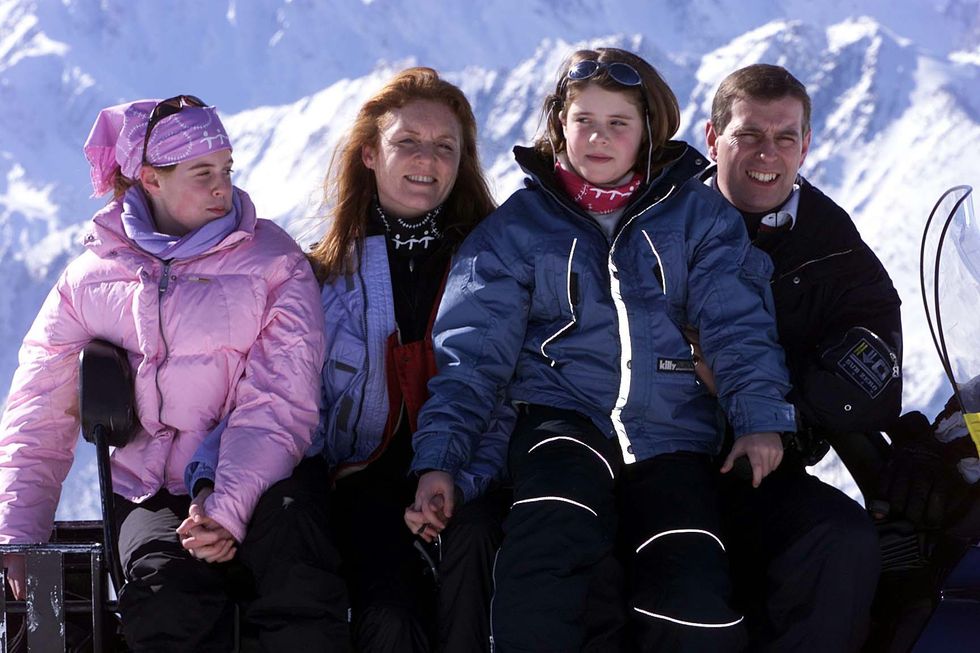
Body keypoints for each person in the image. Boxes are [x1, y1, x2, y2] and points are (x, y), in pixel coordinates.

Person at [409, 47, 797, 653]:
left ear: (648, 131)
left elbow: (736, 326)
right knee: (544, 546)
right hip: (560, 420)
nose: (597, 136)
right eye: (583, 119)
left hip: (671, 434)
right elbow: (471, 361)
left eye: (618, 122)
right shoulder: (519, 228)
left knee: (689, 589)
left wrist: (758, 421)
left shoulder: (698, 219)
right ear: (559, 123)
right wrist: (441, 459)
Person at [0, 96, 350, 651]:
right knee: (164, 597)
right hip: (151, 490)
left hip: (270, 477)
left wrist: (224, 506)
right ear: (150, 180)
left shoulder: (273, 264)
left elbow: (280, 401)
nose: (223, 187)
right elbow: (39, 411)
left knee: (300, 589)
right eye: (203, 173)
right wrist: (16, 532)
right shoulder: (92, 279)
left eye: (228, 169)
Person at [701, 63, 903, 652]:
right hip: (645, 461)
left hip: (764, 472)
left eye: (785, 137)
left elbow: (870, 382)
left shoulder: (835, 253)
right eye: (748, 135)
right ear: (713, 140)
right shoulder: (657, 220)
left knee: (840, 539)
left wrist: (762, 400)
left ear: (806, 145)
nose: (769, 153)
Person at [308, 66, 511, 652]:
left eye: (445, 146)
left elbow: (509, 394)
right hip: (363, 484)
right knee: (390, 619)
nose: (428, 158)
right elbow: (302, 405)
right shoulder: (324, 279)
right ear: (370, 154)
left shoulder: (497, 264)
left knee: (475, 591)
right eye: (407, 142)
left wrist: (460, 481)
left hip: (476, 481)